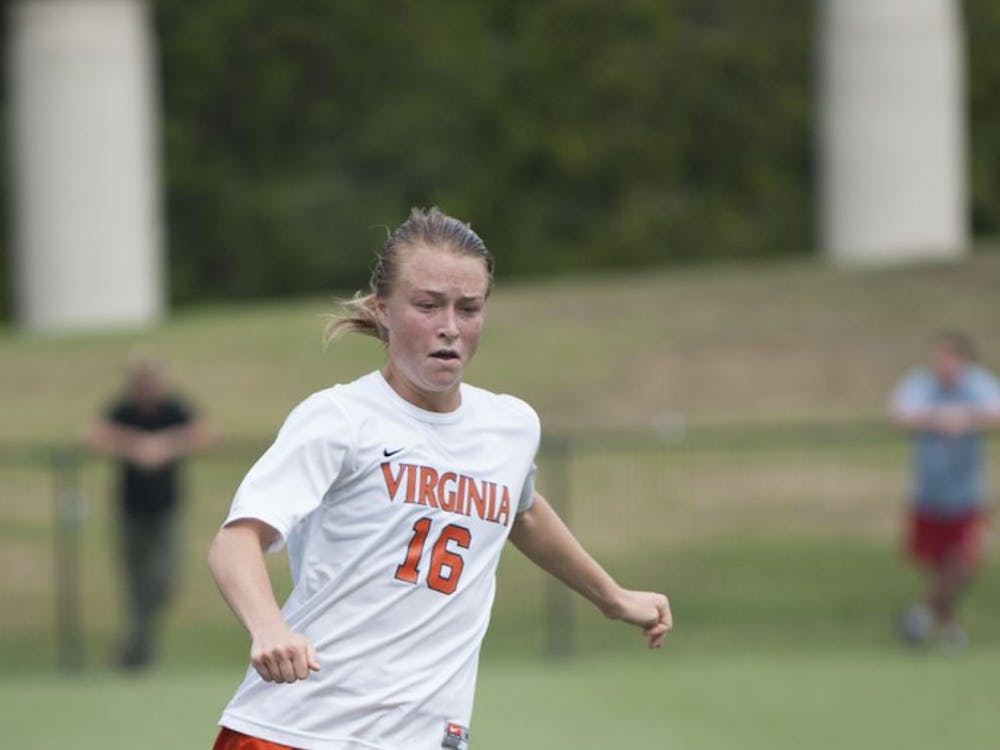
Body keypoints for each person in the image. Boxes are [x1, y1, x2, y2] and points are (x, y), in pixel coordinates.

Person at [208, 207, 672, 750]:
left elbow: (519, 509)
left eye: (468, 308)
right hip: (298, 731)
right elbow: (236, 540)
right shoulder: (340, 418)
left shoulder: (510, 426)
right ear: (383, 310)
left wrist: (611, 596)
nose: (449, 325)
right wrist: (268, 627)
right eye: (427, 305)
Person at [83, 350, 217, 669]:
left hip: (166, 508)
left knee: (162, 581)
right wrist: (135, 446)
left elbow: (208, 434)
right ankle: (138, 654)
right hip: (130, 509)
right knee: (135, 583)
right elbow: (91, 437)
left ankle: (132, 647)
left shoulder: (173, 408)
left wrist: (164, 445)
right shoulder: (123, 409)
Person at [890, 331, 1000, 651]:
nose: (944, 365)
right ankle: (950, 630)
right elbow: (899, 415)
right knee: (938, 567)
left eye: (950, 358)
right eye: (939, 358)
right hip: (928, 494)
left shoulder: (977, 385)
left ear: (964, 361)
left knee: (966, 561)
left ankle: (922, 614)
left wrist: (966, 417)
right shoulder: (921, 384)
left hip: (967, 494)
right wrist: (938, 418)